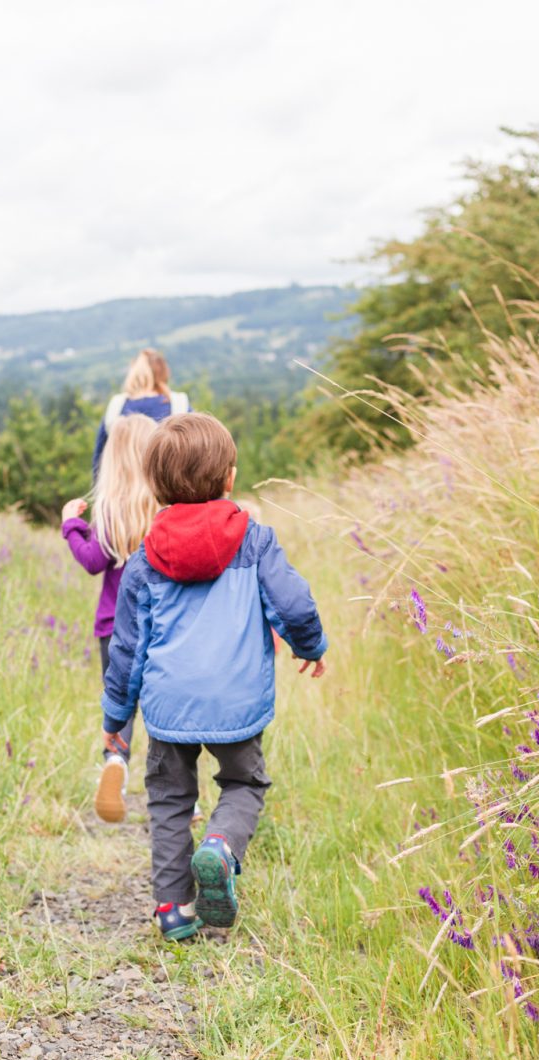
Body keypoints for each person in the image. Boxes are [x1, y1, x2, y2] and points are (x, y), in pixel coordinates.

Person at [100, 413, 327, 941]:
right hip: (236, 702)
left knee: (169, 799)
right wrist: (310, 645)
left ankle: (173, 911)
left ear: (155, 488)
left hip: (168, 704)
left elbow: (127, 652)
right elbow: (293, 603)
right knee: (244, 782)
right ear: (229, 478)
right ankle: (221, 847)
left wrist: (116, 719)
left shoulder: (143, 561)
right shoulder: (255, 541)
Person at [60, 415, 161, 823]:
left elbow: (91, 561)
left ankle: (115, 764)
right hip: (162, 627)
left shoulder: (110, 513)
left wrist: (72, 525)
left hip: (114, 630)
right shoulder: (164, 509)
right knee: (163, 712)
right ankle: (180, 797)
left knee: (121, 705)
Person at [92, 348, 189, 480]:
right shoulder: (178, 405)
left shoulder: (116, 407)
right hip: (168, 491)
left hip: (124, 492)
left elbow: (100, 459)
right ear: (164, 372)